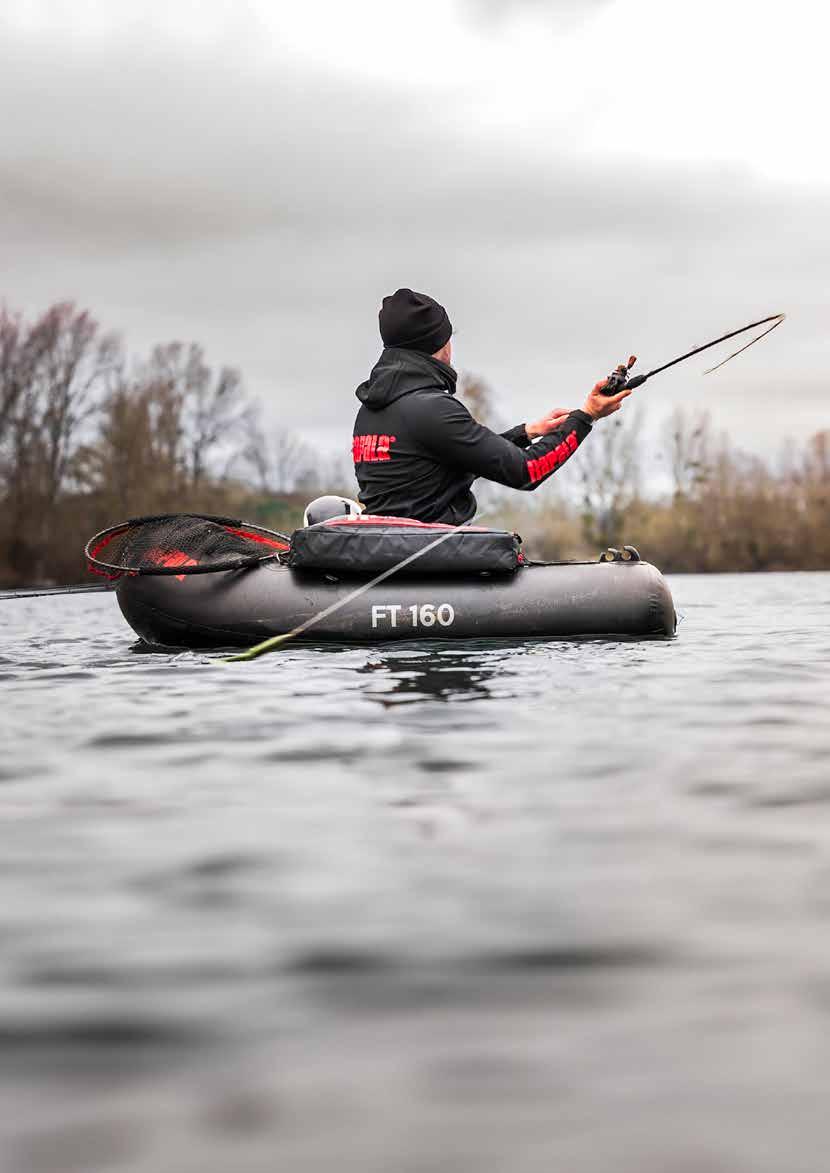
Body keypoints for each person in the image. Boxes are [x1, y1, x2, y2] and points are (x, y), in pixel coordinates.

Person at [352, 287, 632, 524]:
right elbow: (528, 471)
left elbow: (450, 463)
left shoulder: (370, 411)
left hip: (391, 556)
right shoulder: (433, 409)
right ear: (439, 344)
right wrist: (586, 416)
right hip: (436, 559)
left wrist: (526, 432)